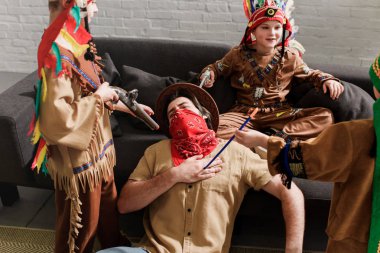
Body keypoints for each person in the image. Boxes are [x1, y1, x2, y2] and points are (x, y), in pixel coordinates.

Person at [98, 82, 305, 253]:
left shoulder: (236, 152)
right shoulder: (156, 151)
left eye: (185, 108)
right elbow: (125, 204)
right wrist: (174, 175)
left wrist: (293, 250)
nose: (178, 114)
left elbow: (291, 192)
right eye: (172, 114)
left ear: (203, 115)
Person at [30, 1, 153, 252]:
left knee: (108, 217)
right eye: (89, 4)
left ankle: (113, 248)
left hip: (99, 150)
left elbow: (88, 90)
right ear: (71, 7)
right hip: (80, 159)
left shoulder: (77, 40)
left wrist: (119, 105)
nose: (95, 10)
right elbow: (57, 118)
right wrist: (100, 98)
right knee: (81, 228)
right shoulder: (58, 53)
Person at [233, 54, 380, 252]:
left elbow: (304, 161)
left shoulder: (356, 135)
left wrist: (264, 141)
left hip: (357, 238)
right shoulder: (238, 57)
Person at [200, 0, 344, 142]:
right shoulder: (237, 54)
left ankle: (272, 138)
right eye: (265, 27)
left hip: (279, 114)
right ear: (253, 31)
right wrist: (209, 73)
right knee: (211, 125)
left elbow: (309, 73)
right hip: (243, 114)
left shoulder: (290, 56)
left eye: (277, 28)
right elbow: (217, 67)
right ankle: (259, 141)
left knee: (325, 117)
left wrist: (326, 79)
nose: (272, 33)